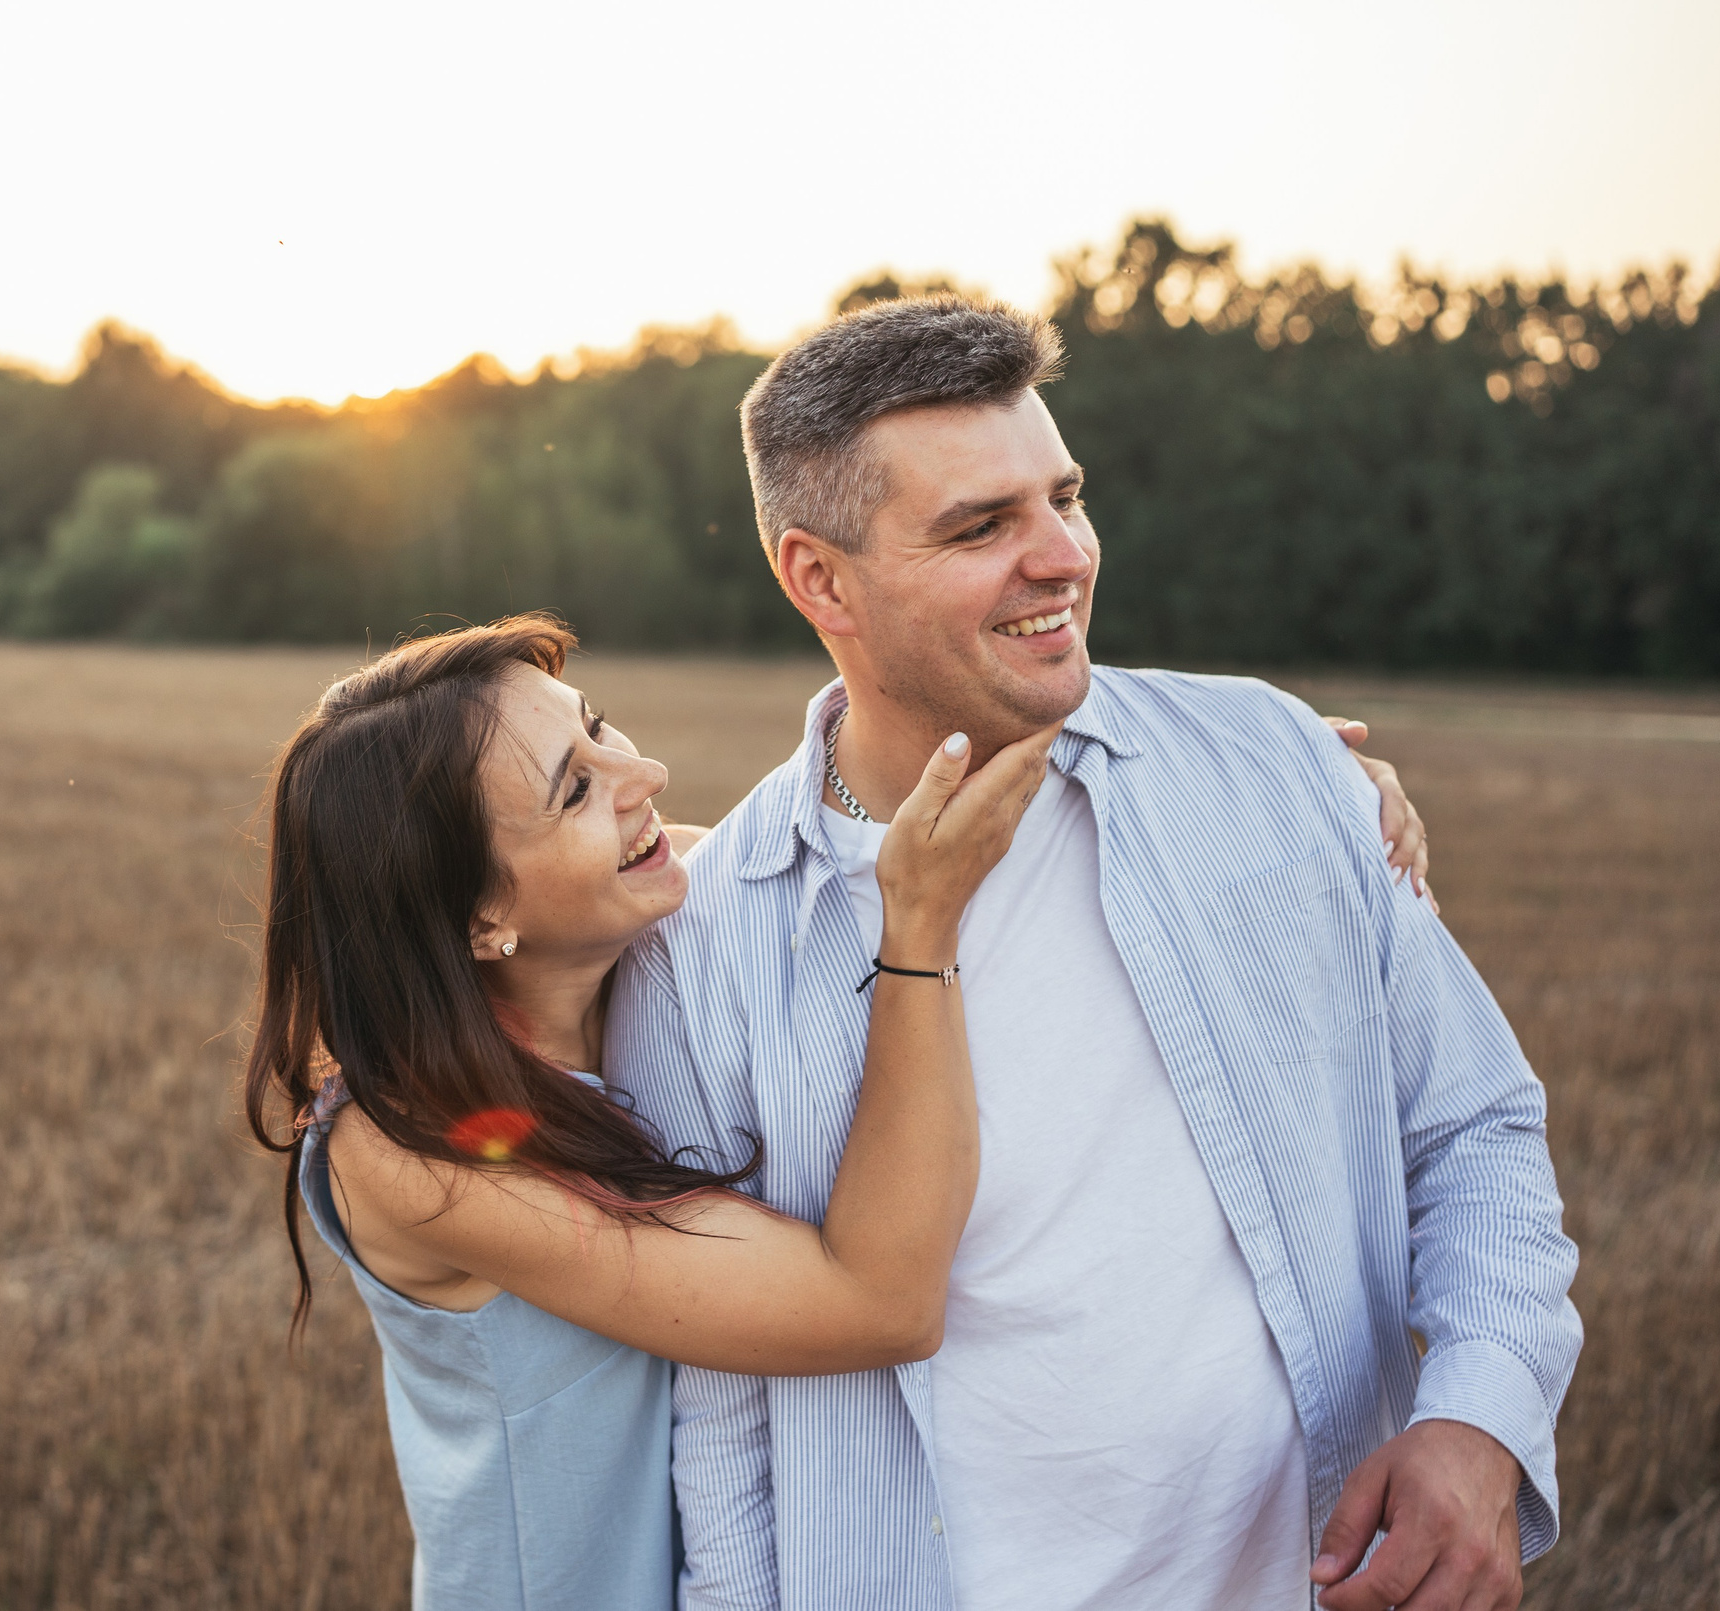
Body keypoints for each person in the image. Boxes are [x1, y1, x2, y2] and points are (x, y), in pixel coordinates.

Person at [606, 298, 1582, 1611]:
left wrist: (1479, 1421)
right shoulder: (701, 951)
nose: (1062, 555)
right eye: (980, 526)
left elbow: (1473, 1126)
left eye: (1063, 497)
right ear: (819, 578)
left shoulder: (1277, 766)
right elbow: (719, 1413)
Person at [245, 613, 1434, 1611]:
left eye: (600, 729)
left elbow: (840, 843)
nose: (642, 779)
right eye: (575, 789)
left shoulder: (648, 914)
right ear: (475, 921)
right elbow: (880, 1302)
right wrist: (917, 939)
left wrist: (1271, 780)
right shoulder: (416, 1157)